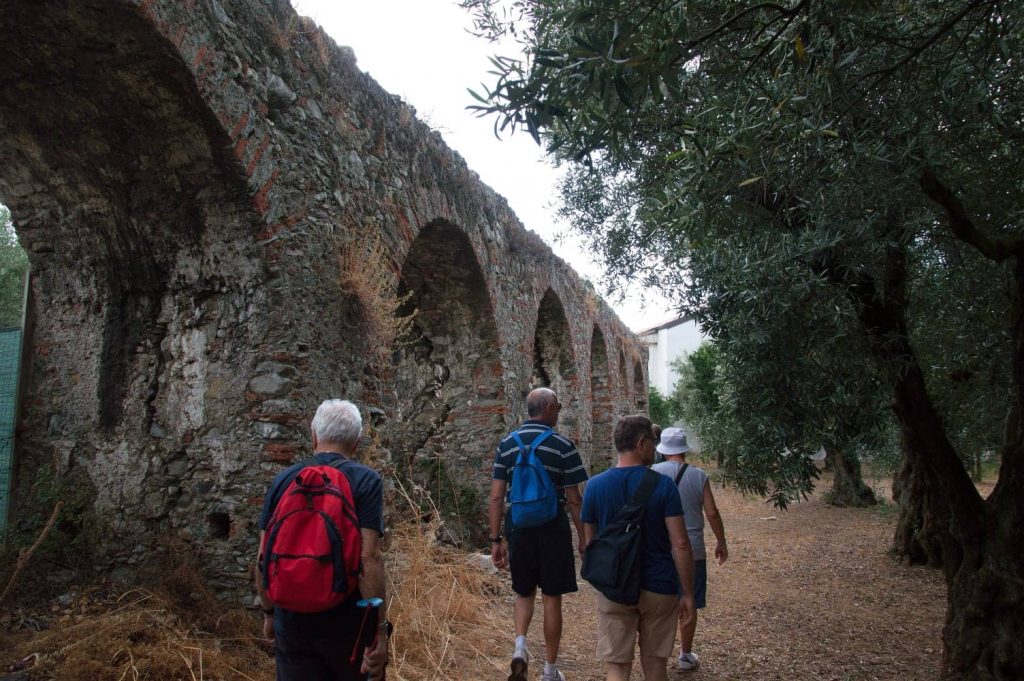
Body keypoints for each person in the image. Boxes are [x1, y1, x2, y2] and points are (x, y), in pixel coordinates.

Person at [257, 399, 390, 680]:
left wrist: (269, 613)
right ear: (357, 442)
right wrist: (379, 630)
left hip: (290, 620)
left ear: (313, 436)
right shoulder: (365, 481)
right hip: (347, 623)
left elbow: (262, 557)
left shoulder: (284, 479)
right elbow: (369, 559)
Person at [581, 415, 696, 681]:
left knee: (617, 667)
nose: (655, 449)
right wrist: (687, 592)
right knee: (655, 665)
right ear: (640, 442)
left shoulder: (595, 486)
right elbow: (680, 543)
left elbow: (591, 543)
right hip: (659, 586)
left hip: (615, 585)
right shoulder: (664, 485)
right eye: (653, 443)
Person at [489, 387, 588, 681]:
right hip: (552, 527)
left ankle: (520, 646)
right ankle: (549, 670)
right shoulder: (563, 445)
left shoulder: (507, 444)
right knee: (552, 597)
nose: (559, 410)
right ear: (546, 409)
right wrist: (583, 537)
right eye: (557, 406)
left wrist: (496, 540)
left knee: (523, 592)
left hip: (518, 527)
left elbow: (496, 497)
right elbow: (574, 499)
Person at [651, 426, 728, 671]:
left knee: (660, 604)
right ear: (684, 449)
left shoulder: (651, 473)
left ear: (662, 450)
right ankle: (685, 654)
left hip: (659, 548)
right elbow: (712, 513)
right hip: (692, 549)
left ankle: (656, 656)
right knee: (689, 599)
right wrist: (721, 541)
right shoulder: (699, 475)